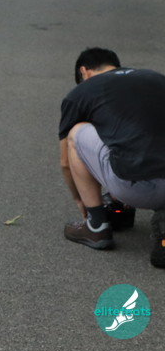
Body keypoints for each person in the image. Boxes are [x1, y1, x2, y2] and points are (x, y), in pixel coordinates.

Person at [58, 48, 165, 268]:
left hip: (137, 187)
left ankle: (96, 226)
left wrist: (80, 200)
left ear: (84, 72)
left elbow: (65, 163)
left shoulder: (81, 92)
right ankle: (125, 207)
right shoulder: (156, 78)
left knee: (77, 133)